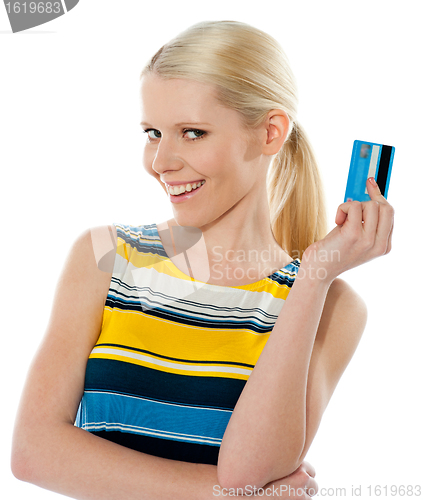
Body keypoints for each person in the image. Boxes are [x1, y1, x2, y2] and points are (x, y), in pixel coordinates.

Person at [11, 20, 394, 500]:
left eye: (192, 132)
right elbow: (33, 452)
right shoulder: (105, 255)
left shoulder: (330, 303)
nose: (161, 161)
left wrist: (313, 277)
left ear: (270, 133)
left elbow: (247, 471)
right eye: (153, 132)